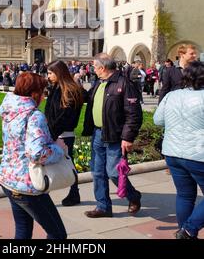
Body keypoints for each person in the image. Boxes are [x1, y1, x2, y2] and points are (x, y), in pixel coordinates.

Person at [0, 72, 67, 240]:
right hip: (27, 185)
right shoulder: (34, 115)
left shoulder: (8, 109)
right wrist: (59, 149)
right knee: (57, 234)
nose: (44, 96)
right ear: (35, 92)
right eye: (42, 91)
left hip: (9, 179)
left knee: (23, 229)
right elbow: (36, 153)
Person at [82, 53, 143, 218]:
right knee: (97, 172)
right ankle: (103, 207)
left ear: (102, 68)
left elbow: (133, 114)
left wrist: (128, 137)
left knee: (114, 172)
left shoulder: (123, 83)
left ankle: (133, 196)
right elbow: (87, 99)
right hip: (98, 133)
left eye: (95, 67)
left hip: (115, 136)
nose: (93, 70)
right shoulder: (99, 83)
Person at [154, 61, 204, 239]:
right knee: (185, 195)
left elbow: (157, 120)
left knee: (184, 195)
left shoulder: (172, 95)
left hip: (173, 152)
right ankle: (189, 229)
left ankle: (185, 232)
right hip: (198, 154)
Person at [45, 60, 84, 206]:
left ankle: (74, 193)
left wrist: (52, 133)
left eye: (50, 73)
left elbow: (65, 115)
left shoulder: (68, 90)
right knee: (57, 163)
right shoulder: (58, 88)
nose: (48, 76)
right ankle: (71, 193)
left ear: (59, 72)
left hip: (62, 133)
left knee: (67, 164)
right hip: (55, 132)